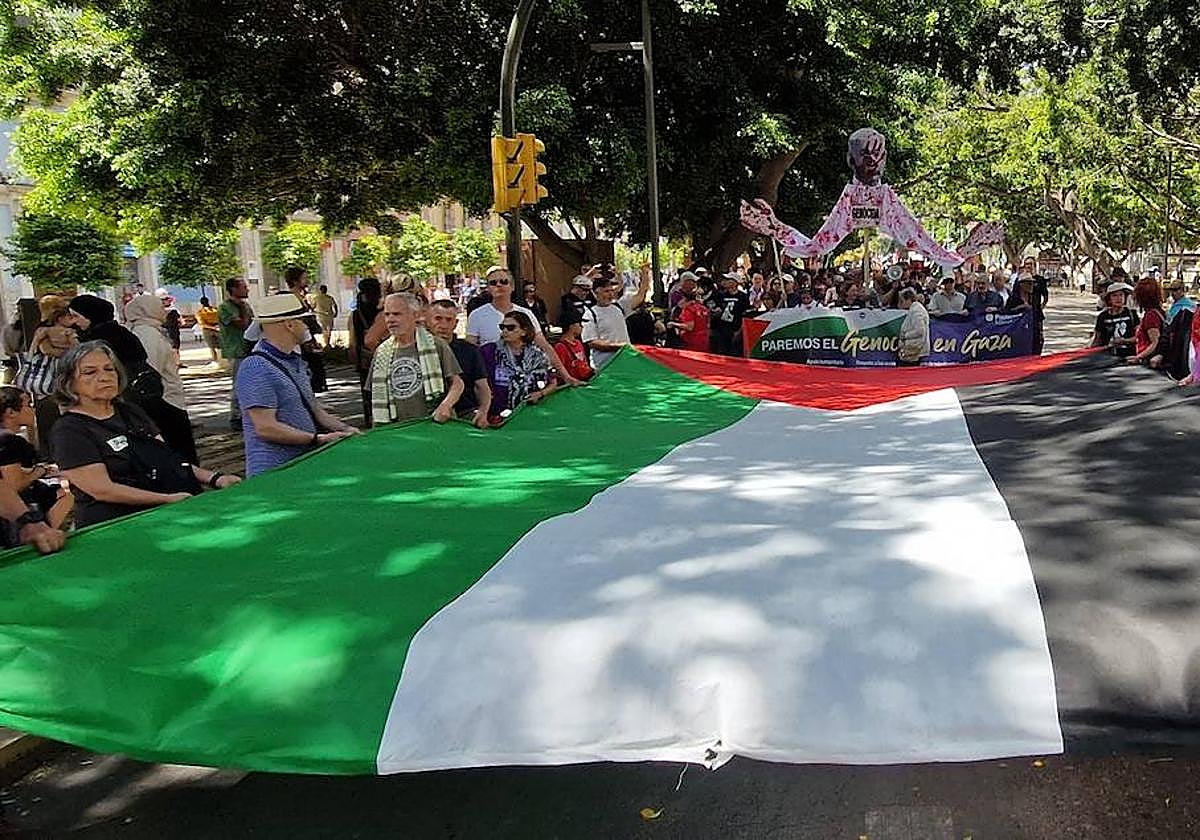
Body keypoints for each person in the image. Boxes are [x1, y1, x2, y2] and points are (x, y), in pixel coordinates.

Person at [49, 342, 240, 527]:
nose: (104, 377)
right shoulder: (69, 430)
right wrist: (165, 499)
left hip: (166, 515)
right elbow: (102, 490)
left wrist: (215, 478)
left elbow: (167, 458)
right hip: (115, 525)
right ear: (69, 383)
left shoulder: (130, 412)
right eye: (90, 372)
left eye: (109, 369)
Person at [235, 295, 358, 477]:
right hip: (274, 472)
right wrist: (317, 439)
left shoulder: (295, 361)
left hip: (301, 467)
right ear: (290, 325)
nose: (307, 327)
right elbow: (265, 427)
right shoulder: (256, 367)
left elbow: (315, 410)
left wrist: (346, 429)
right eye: (304, 321)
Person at [466, 266, 582, 385]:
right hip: (493, 382)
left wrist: (566, 377)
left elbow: (545, 347)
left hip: (525, 383)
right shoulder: (476, 315)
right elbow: (469, 352)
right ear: (488, 288)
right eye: (493, 283)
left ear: (512, 287)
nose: (498, 285)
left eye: (504, 281)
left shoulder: (526, 314)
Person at [368, 293, 463, 426]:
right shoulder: (381, 352)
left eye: (397, 314)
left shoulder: (436, 345)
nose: (390, 320)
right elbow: (376, 395)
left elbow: (457, 383)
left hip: (435, 425)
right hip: (399, 428)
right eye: (387, 314)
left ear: (415, 315)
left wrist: (446, 405)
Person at [124, 294, 198, 464]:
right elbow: (151, 370)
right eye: (158, 307)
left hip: (168, 398)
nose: (162, 311)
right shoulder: (147, 334)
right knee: (179, 451)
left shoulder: (149, 330)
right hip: (166, 401)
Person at [0, 386, 72, 531]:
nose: (33, 409)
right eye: (28, 405)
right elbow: (14, 485)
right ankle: (45, 533)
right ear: (11, 412)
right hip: (21, 502)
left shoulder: (13, 439)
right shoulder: (9, 442)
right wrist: (39, 471)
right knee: (69, 496)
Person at [425, 299, 493, 428]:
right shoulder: (417, 350)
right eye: (438, 319)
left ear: (456, 323)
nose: (443, 325)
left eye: (449, 320)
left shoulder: (470, 351)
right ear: (427, 321)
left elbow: (482, 386)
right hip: (427, 415)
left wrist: (483, 412)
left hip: (465, 414)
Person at [481, 310, 557, 422]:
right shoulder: (489, 351)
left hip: (529, 412)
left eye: (510, 328)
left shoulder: (538, 355)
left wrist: (540, 394)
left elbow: (553, 383)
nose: (505, 331)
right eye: (502, 327)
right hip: (496, 414)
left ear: (524, 331)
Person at [582, 266, 653, 368]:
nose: (610, 294)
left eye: (612, 291)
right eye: (606, 291)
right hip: (603, 365)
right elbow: (592, 342)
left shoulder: (619, 307)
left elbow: (640, 296)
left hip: (624, 361)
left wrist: (645, 275)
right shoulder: (590, 314)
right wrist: (619, 346)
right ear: (596, 293)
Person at [284, 268, 327, 392]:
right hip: (300, 342)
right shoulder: (291, 298)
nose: (307, 280)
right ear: (295, 281)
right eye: (304, 278)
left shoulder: (301, 297)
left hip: (307, 339)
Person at [218, 278, 254, 430]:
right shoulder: (225, 307)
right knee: (239, 383)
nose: (247, 290)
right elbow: (242, 324)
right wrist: (243, 310)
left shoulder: (245, 305)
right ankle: (236, 415)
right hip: (236, 350)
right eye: (243, 287)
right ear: (233, 289)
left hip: (249, 349)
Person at [1090, 281, 1139, 358]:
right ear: (1109, 299)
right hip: (1107, 357)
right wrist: (1090, 352)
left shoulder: (1132, 314)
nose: (1118, 298)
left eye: (1121, 295)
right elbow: (1097, 339)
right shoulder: (1103, 316)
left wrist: (1125, 341)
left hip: (1129, 356)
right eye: (1114, 295)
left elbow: (1139, 337)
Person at [707, 271, 751, 356]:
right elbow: (717, 308)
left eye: (728, 279)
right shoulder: (721, 295)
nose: (726, 281)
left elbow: (745, 315)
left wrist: (739, 331)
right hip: (722, 329)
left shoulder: (743, 297)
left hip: (735, 329)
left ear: (735, 282)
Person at [1126, 277, 1167, 368]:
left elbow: (1154, 343)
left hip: (1149, 363)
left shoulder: (1151, 316)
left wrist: (1138, 357)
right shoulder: (1159, 312)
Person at [667, 278, 711, 352]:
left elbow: (689, 327)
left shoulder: (689, 309)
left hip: (692, 343)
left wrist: (673, 324)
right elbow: (708, 324)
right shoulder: (703, 308)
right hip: (704, 341)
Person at [1006, 273, 1046, 354]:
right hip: (1018, 334)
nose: (1031, 286)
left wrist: (1041, 333)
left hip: (1034, 332)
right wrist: (1021, 307)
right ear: (1021, 284)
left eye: (1032, 283)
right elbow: (1007, 314)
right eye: (1029, 283)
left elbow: (1039, 316)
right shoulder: (1013, 299)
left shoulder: (1034, 299)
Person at [554, 310, 595, 381]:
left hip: (585, 379)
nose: (582, 327)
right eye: (579, 324)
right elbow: (558, 371)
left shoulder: (578, 343)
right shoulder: (560, 347)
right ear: (571, 326)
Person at [897, 288, 930, 366]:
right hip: (913, 349)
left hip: (914, 350)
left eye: (902, 301)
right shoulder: (915, 309)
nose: (901, 304)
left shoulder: (916, 311)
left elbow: (920, 331)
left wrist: (905, 335)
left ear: (908, 300)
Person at [309, 284, 340, 349]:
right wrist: (336, 313)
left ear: (320, 290)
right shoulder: (330, 298)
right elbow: (335, 305)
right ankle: (327, 343)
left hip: (321, 316)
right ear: (326, 290)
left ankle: (326, 343)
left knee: (324, 329)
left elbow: (312, 307)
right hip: (329, 316)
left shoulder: (316, 298)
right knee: (329, 330)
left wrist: (312, 311)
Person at [195, 296, 222, 364]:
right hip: (217, 328)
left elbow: (202, 323)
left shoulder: (200, 312)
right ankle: (221, 359)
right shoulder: (215, 309)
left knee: (212, 346)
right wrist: (216, 327)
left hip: (207, 329)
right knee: (220, 346)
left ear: (201, 303)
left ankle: (215, 360)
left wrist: (213, 327)